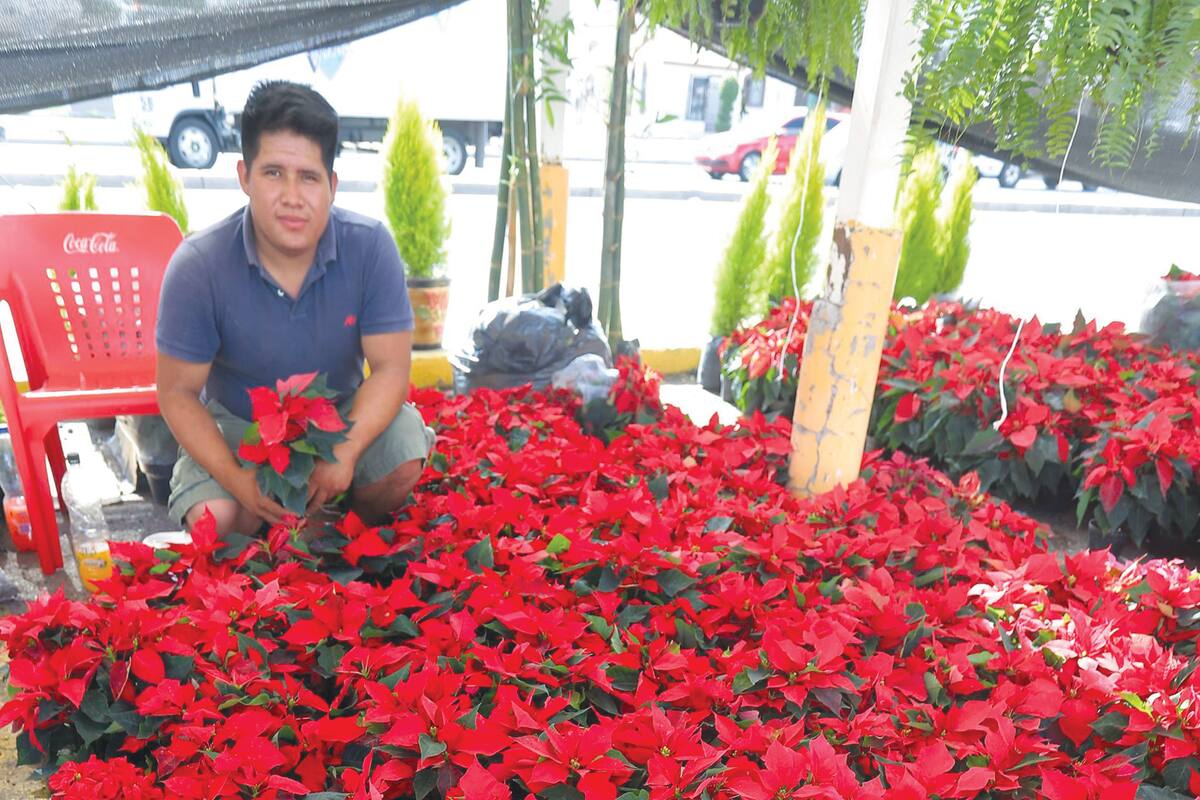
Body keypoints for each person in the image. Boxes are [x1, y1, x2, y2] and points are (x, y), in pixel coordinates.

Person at [155, 80, 434, 536]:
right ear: (244, 176)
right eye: (273, 173)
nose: (291, 196)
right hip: (239, 427)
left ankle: (334, 533)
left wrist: (343, 451)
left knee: (401, 456)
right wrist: (240, 482)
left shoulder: (371, 248)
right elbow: (177, 394)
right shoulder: (198, 264)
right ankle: (267, 523)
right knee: (219, 522)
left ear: (332, 185)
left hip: (338, 417)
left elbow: (390, 370)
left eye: (308, 177)